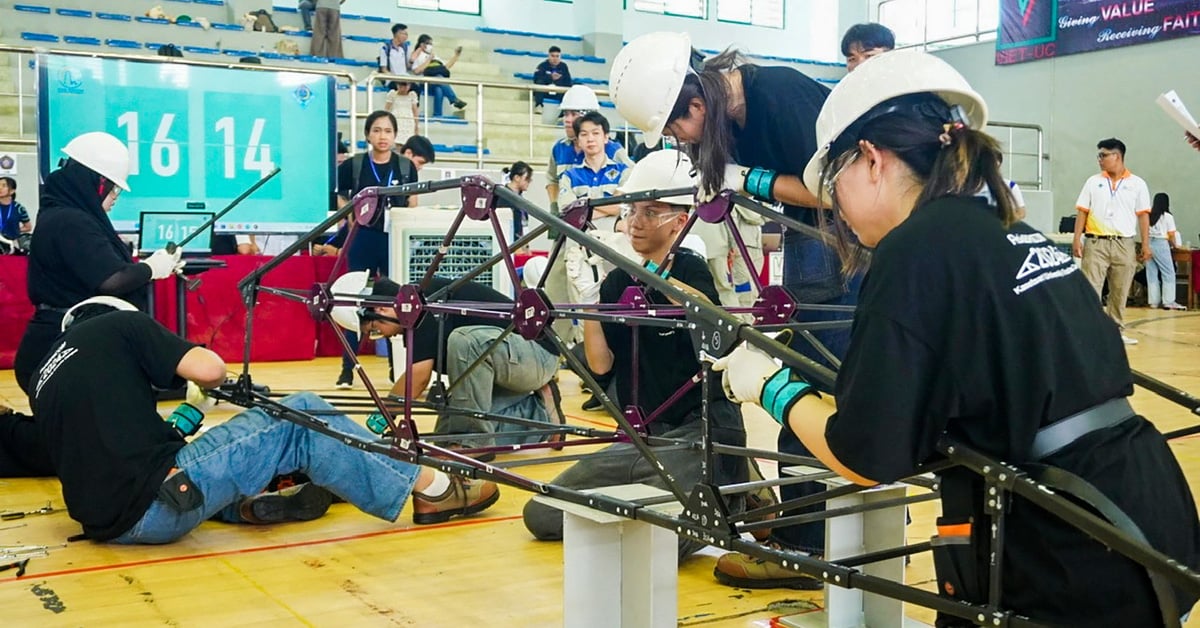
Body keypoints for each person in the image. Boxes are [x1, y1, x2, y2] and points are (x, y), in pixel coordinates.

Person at [711, 49, 1200, 626]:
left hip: (1061, 544)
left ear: (870, 159)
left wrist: (772, 388)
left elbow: (864, 455)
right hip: (1142, 514)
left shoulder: (914, 250)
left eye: (833, 182)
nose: (834, 207)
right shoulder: (1010, 230)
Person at [611, 32, 851, 587]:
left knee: (810, 392)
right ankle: (822, 530)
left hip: (845, 245)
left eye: (676, 127)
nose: (679, 140)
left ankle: (802, 547)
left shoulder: (779, 95)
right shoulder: (732, 118)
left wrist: (753, 179)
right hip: (817, 246)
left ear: (697, 103)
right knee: (828, 388)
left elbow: (839, 190)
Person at [30, 296, 499, 543]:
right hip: (158, 504)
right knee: (303, 415)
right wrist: (214, 382)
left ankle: (244, 502)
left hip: (110, 525)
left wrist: (193, 411)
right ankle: (433, 489)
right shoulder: (120, 327)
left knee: (250, 449)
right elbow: (208, 370)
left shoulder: (44, 379)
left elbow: (128, 446)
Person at [521, 150, 748, 560]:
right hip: (642, 439)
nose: (635, 222)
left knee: (662, 545)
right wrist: (591, 303)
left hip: (697, 432)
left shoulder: (690, 269)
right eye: (631, 211)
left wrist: (653, 278)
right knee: (542, 514)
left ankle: (732, 495)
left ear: (681, 220)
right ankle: (706, 496)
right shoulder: (616, 282)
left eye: (650, 211)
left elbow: (714, 323)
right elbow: (602, 364)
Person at [13, 132, 182, 397]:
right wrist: (151, 268)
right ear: (96, 183)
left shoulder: (60, 213)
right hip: (61, 348)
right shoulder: (72, 221)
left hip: (62, 344)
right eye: (113, 187)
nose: (116, 196)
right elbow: (111, 280)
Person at [330, 273, 563, 452]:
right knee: (447, 435)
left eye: (374, 329)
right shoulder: (414, 313)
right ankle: (541, 416)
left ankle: (473, 444)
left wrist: (386, 412)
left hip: (537, 354)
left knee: (464, 342)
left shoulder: (423, 302)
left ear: (380, 308)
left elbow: (418, 377)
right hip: (511, 366)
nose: (382, 335)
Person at [333, 112, 424, 389]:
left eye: (387, 131)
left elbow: (413, 201)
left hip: (393, 240)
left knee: (396, 301)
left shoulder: (406, 166)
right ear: (367, 135)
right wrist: (349, 218)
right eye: (376, 130)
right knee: (353, 300)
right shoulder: (354, 165)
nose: (382, 136)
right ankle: (348, 369)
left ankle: (396, 367)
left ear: (395, 136)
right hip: (362, 238)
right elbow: (340, 196)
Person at [1072, 138, 1152, 345]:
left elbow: (1143, 216)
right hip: (1095, 242)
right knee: (1091, 288)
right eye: (1099, 155)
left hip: (1124, 243)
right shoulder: (1093, 182)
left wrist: (1145, 244)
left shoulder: (1137, 184)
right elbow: (1082, 212)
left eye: (1103, 155)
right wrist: (1076, 240)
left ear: (1117, 156)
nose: (1099, 159)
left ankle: (1115, 330)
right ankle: (1089, 330)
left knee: (1120, 288)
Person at [545, 84, 635, 215]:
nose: (567, 120)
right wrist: (554, 205)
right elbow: (552, 179)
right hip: (568, 220)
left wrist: (600, 208)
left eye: (573, 114)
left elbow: (631, 181)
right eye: (565, 114)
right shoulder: (559, 148)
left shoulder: (613, 150)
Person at [1145, 192, 1186, 310]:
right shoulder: (1167, 216)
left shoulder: (1149, 215)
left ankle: (1153, 301)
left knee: (1151, 273)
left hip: (1149, 243)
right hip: (1161, 243)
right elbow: (1171, 234)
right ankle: (1169, 301)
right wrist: (1175, 246)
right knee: (1168, 272)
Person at [409, 34, 466, 117]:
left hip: (435, 82)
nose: (430, 46)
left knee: (438, 88)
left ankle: (437, 115)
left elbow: (445, 67)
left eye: (431, 44)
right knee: (439, 79)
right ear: (422, 44)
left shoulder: (435, 56)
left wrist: (456, 56)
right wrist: (428, 60)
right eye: (429, 44)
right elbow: (416, 71)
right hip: (422, 83)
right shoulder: (417, 55)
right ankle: (453, 99)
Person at [494, 160, 534, 239]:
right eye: (527, 179)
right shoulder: (503, 197)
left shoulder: (519, 199)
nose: (529, 182)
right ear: (517, 178)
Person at [532, 46, 572, 112]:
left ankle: (563, 112)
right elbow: (536, 79)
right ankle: (539, 105)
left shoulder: (563, 66)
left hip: (559, 92)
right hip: (545, 92)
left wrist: (559, 79)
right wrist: (550, 77)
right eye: (553, 56)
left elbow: (568, 81)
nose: (555, 59)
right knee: (540, 83)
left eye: (557, 56)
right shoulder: (542, 65)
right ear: (549, 56)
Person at [0, 176, 31, 243]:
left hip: (12, 243)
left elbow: (28, 227)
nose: (0, 188)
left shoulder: (19, 208)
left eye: (3, 185)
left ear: (12, 191)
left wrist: (14, 230)